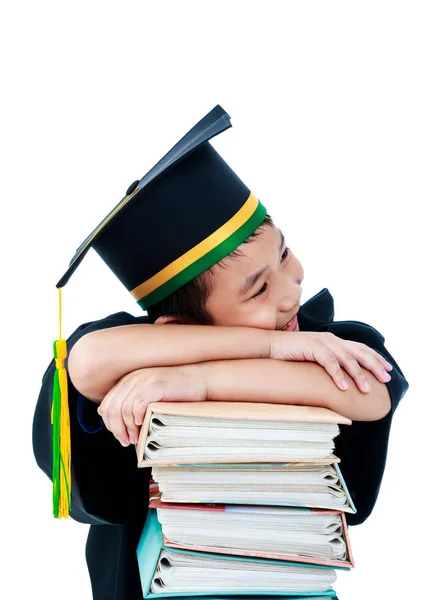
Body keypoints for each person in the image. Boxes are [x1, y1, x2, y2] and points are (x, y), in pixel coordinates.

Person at [33, 105, 408, 600]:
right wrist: (269, 345)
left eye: (283, 253)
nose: (290, 293)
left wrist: (200, 382)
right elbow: (84, 362)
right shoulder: (139, 348)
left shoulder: (331, 340)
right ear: (180, 325)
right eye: (257, 292)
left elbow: (369, 393)